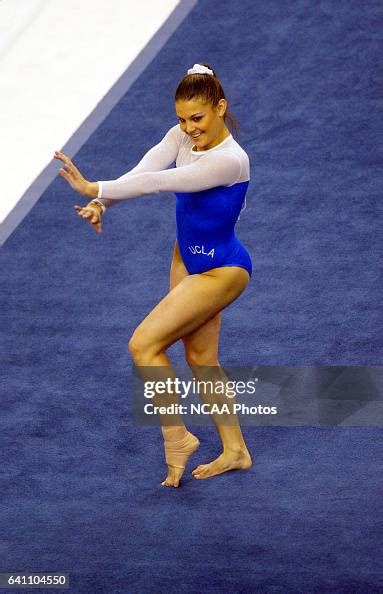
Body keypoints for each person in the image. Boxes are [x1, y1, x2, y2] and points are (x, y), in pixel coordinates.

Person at [55, 63, 253, 488]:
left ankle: (176, 437)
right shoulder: (181, 135)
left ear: (221, 108)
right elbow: (145, 170)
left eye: (197, 118)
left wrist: (94, 188)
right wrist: (103, 204)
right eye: (182, 118)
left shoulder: (231, 160)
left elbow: (162, 183)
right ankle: (236, 451)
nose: (188, 128)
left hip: (222, 269)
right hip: (185, 259)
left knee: (144, 344)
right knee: (200, 358)